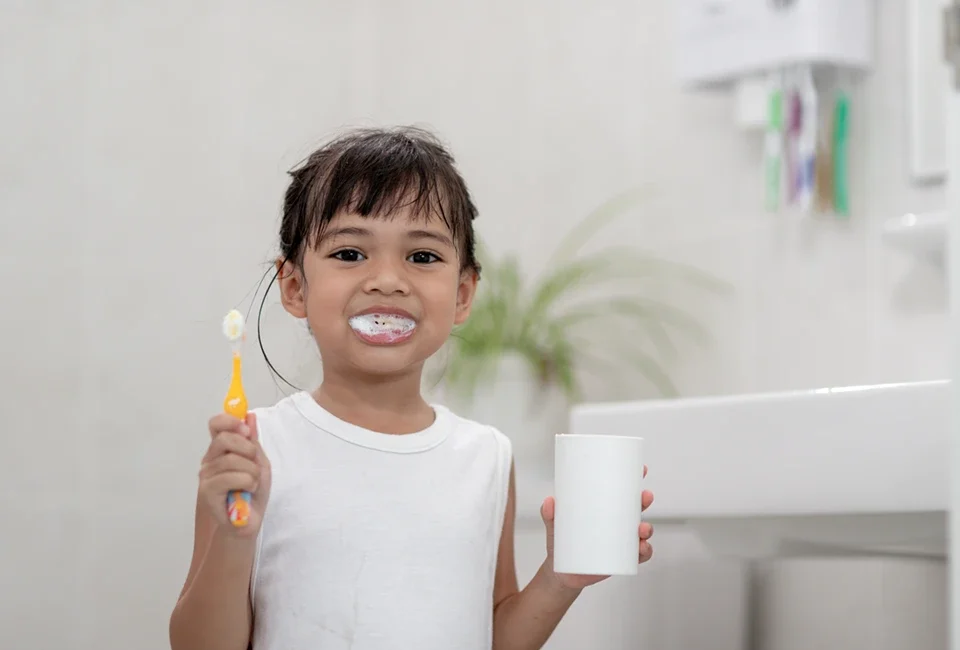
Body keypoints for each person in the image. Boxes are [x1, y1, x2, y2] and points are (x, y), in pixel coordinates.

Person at [168, 126, 655, 650]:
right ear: (294, 288)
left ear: (463, 294)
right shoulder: (253, 448)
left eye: (422, 257)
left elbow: (493, 637)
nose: (388, 279)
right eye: (350, 253)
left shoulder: (487, 457)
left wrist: (560, 579)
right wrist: (235, 540)